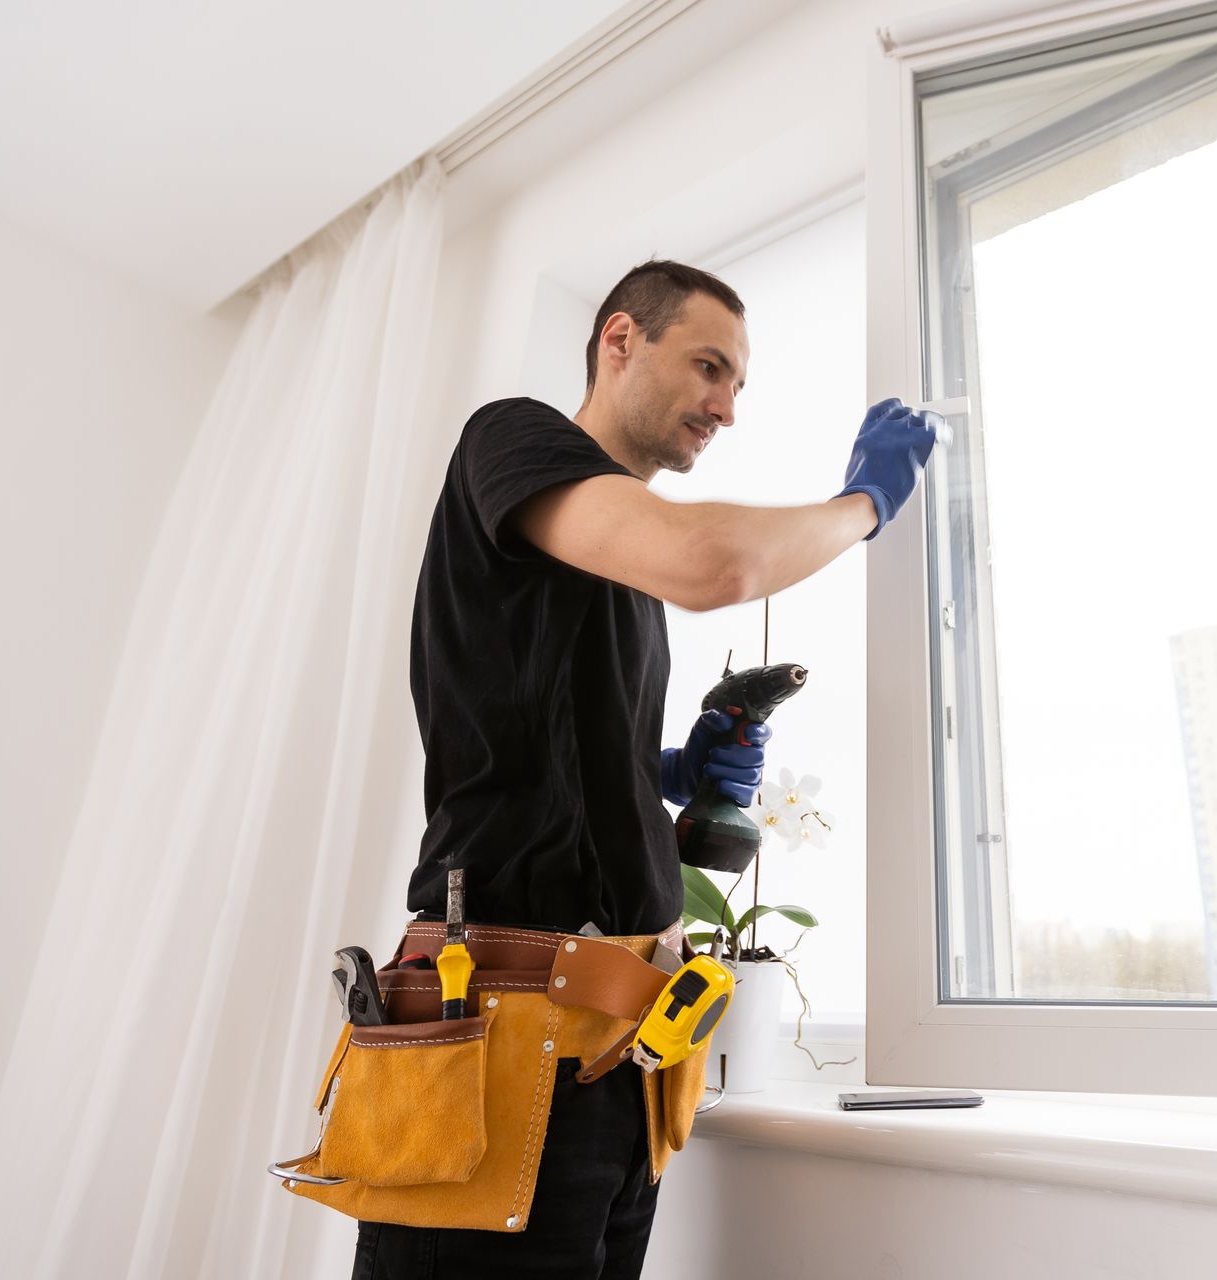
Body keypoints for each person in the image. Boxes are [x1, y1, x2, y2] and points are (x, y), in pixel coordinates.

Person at [352, 259, 938, 1278]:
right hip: (501, 1033)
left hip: (616, 1058)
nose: (726, 406)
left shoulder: (622, 574)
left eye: (740, 385)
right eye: (709, 366)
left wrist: (663, 773)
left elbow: (539, 748)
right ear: (619, 338)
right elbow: (720, 564)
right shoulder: (513, 439)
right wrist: (867, 501)